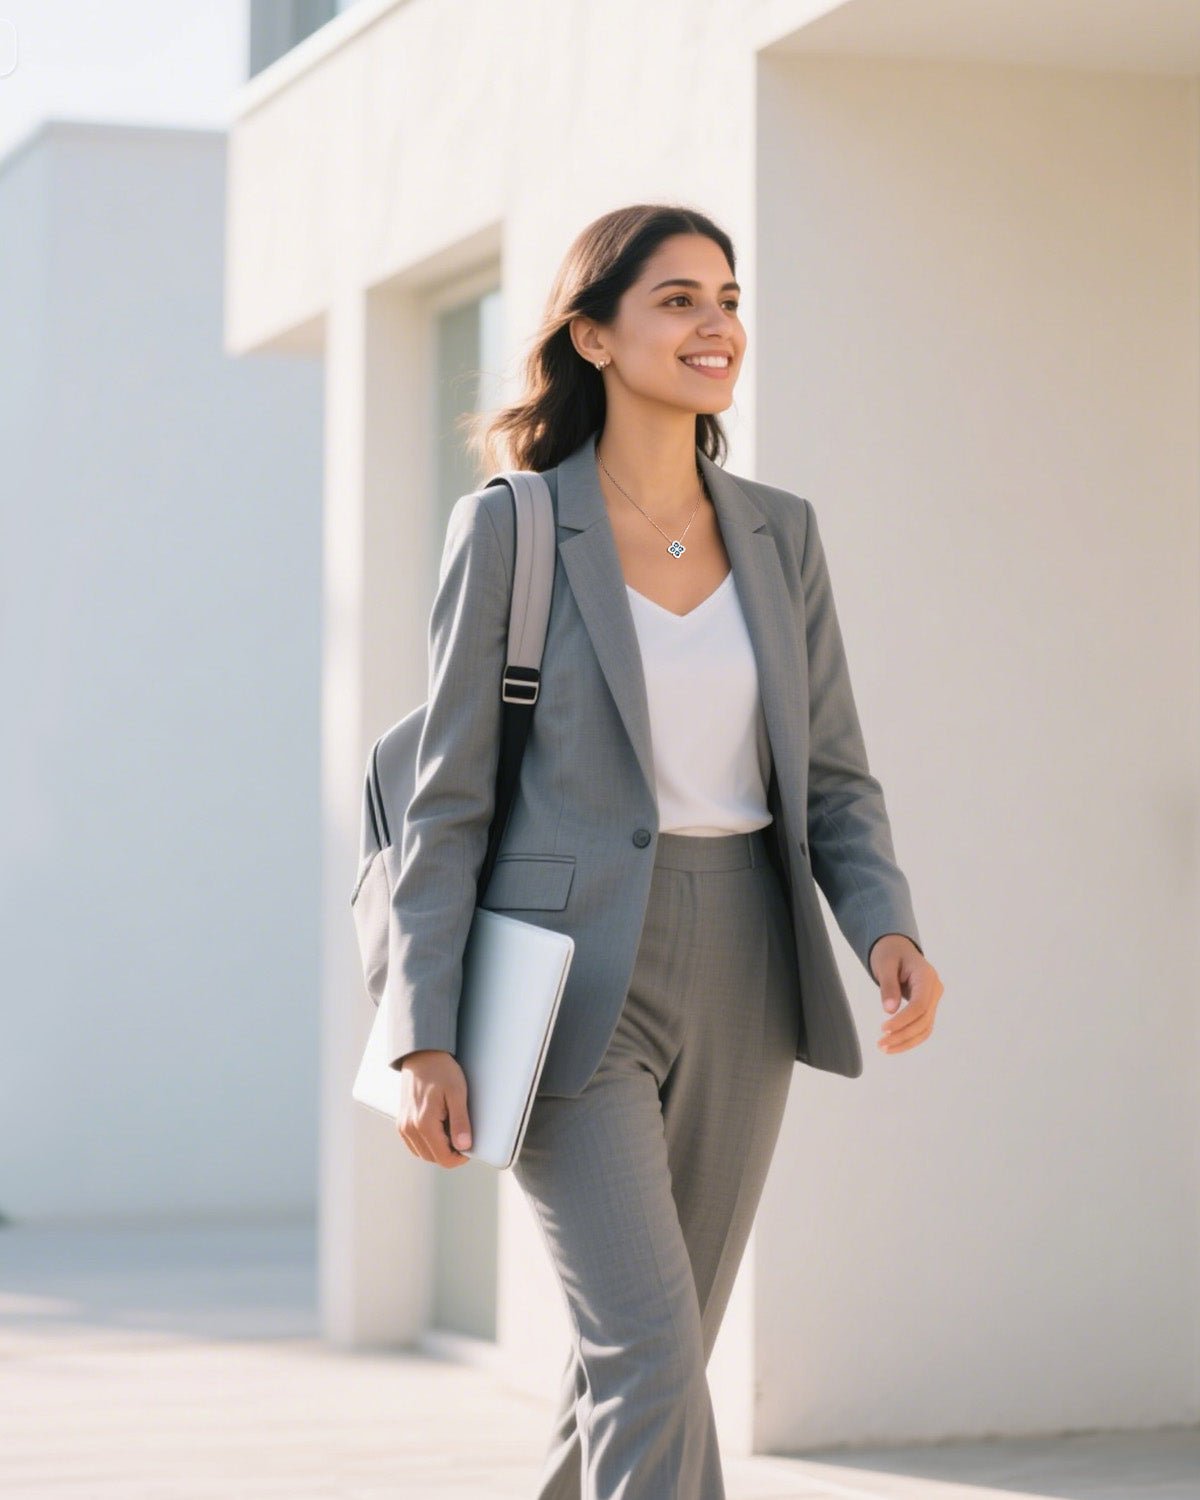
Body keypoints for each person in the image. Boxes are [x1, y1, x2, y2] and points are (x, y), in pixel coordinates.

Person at [388, 203, 944, 1500]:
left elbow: (834, 776)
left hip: (749, 963)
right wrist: (422, 1031)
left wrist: (886, 926)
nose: (717, 325)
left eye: (728, 298)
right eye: (679, 299)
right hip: (566, 975)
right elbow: (445, 801)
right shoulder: (515, 527)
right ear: (593, 336)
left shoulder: (780, 533)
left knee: (647, 1353)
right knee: (649, 1356)